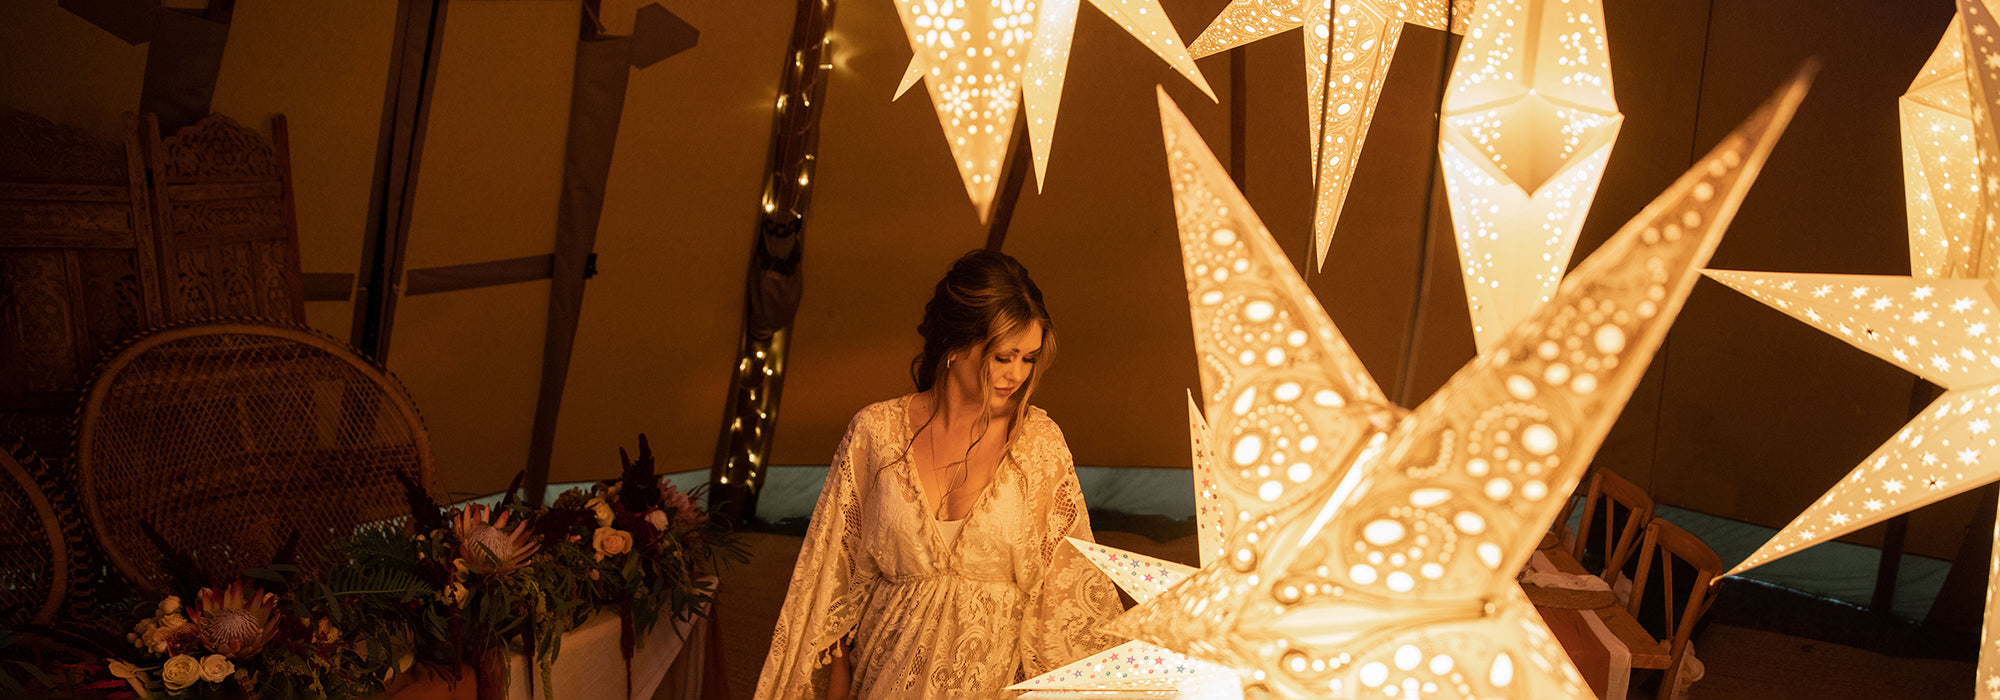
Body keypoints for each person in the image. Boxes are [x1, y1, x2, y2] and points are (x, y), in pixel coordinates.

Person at [755, 250, 1124, 699]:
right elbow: (832, 580)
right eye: (1004, 356)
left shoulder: (1038, 444)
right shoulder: (876, 433)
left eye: (1028, 359)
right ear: (955, 344)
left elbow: (1069, 597)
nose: (1016, 375)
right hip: (884, 680)